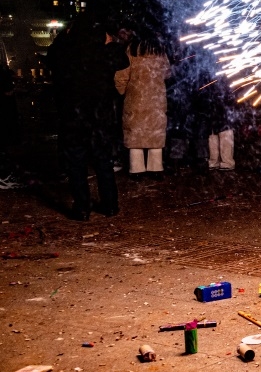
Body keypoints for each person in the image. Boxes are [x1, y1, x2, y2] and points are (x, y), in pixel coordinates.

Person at [46, 13, 129, 220]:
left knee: (76, 162)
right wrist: (109, 42)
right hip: (99, 114)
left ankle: (82, 207)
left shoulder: (65, 49)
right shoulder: (103, 51)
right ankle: (110, 204)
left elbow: (50, 58)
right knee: (103, 160)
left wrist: (64, 37)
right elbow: (123, 61)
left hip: (73, 115)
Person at [115, 37, 171, 175]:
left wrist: (121, 89)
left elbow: (122, 73)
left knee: (135, 134)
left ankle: (136, 169)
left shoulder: (131, 49)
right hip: (156, 98)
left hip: (136, 97)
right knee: (156, 132)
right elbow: (167, 72)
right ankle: (156, 168)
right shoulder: (160, 49)